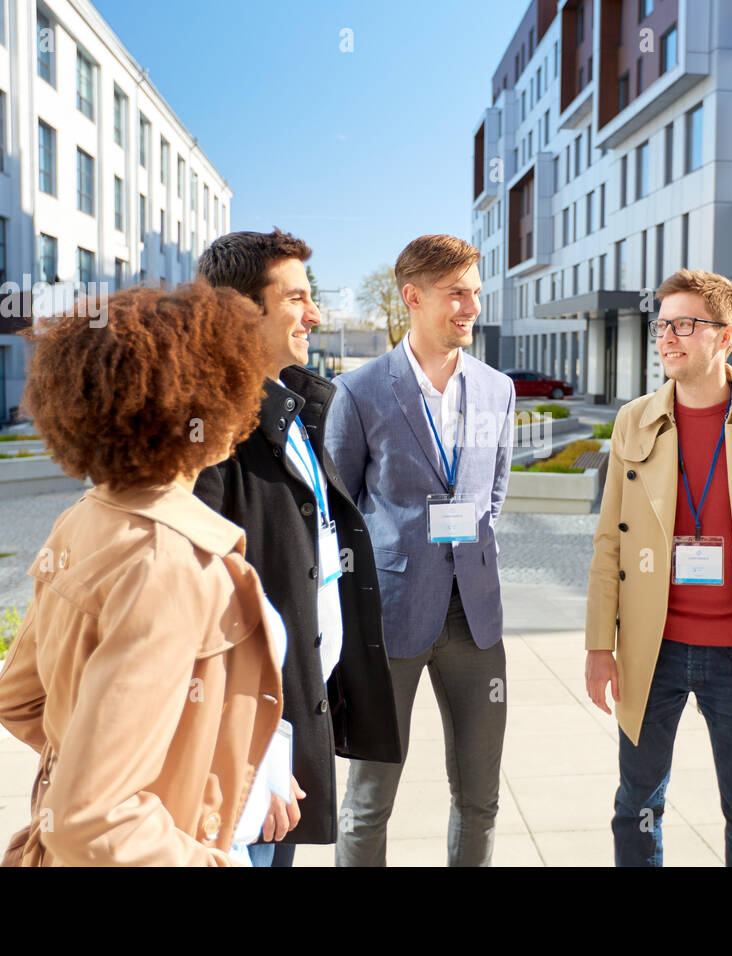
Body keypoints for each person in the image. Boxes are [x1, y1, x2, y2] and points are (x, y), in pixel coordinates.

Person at [0, 281, 286, 866]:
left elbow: (18, 701)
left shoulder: (84, 519)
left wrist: (105, 768)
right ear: (197, 396)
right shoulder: (171, 562)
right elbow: (92, 819)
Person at [584, 269, 732, 867]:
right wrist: (597, 646)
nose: (667, 337)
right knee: (636, 803)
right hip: (650, 646)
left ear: (726, 334)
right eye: (662, 325)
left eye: (685, 325)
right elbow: (610, 540)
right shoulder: (635, 419)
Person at [193, 228, 402, 867]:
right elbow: (191, 622)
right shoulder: (204, 433)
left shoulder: (295, 414)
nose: (315, 314)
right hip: (239, 764)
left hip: (287, 734)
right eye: (298, 298)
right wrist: (251, 759)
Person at [326, 234, 515, 867]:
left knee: (480, 797)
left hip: (476, 619)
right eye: (456, 293)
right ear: (413, 297)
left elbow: (492, 492)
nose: (470, 307)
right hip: (391, 619)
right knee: (369, 800)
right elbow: (338, 511)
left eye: (476, 294)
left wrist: (463, 545)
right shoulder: (359, 391)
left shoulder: (497, 390)